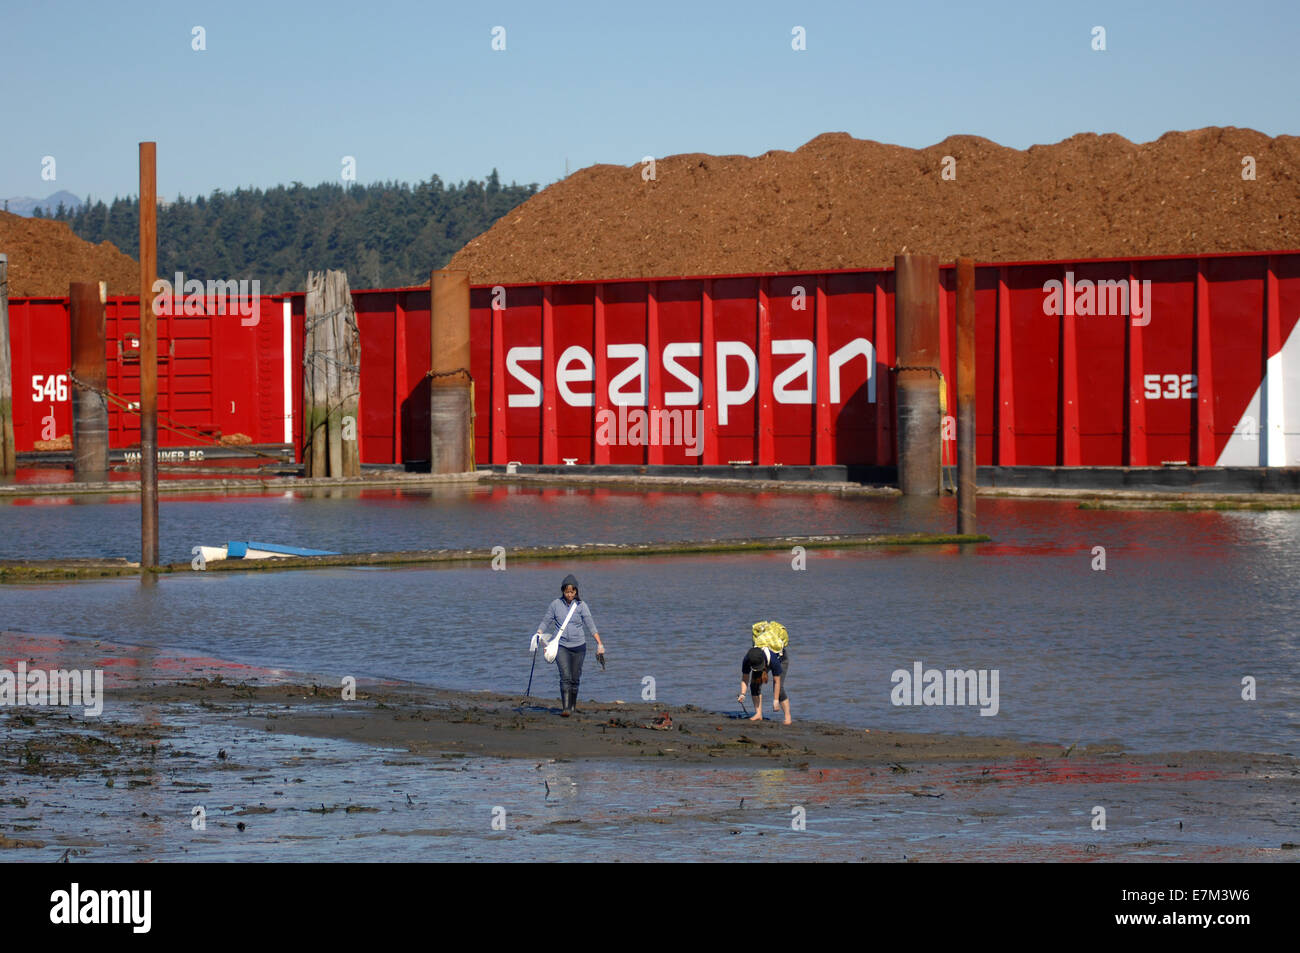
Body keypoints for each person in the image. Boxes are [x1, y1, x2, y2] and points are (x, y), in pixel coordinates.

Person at [533, 574, 604, 716]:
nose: (569, 594)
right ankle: (565, 709)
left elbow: (591, 625)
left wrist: (600, 644)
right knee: (565, 676)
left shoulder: (582, 606)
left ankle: (572, 707)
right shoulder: (555, 605)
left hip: (579, 647)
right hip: (561, 646)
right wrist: (539, 632)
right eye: (567, 592)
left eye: (572, 592)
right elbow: (546, 620)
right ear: (562, 591)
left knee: (575, 677)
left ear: (576, 591)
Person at [738, 645, 792, 724]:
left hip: (781, 659)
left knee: (779, 689)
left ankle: (788, 717)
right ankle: (758, 714)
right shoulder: (747, 659)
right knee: (754, 686)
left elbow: (777, 681)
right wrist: (742, 694)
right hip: (762, 661)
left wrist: (776, 700)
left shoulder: (773, 659)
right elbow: (745, 678)